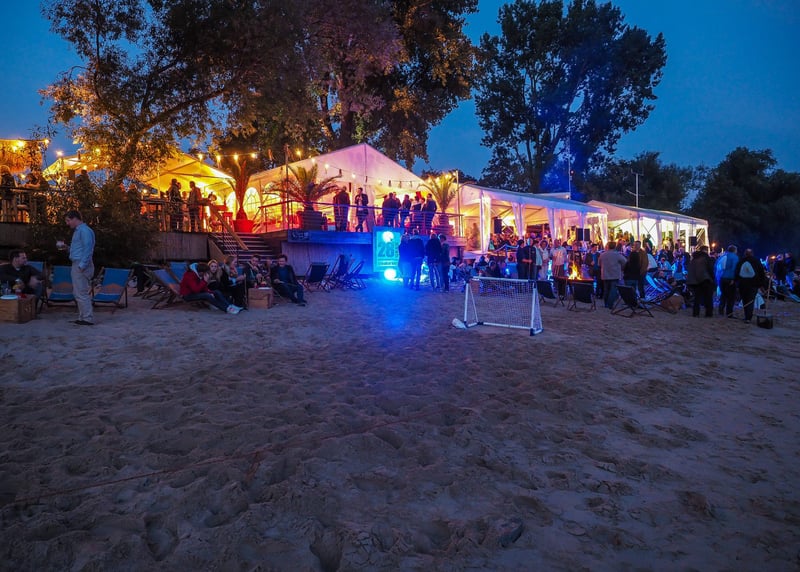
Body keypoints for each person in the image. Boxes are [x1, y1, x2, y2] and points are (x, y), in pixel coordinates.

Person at [63, 210, 96, 325]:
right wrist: (67, 248)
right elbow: (80, 249)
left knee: (81, 292)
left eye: (68, 220)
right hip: (78, 263)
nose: (67, 223)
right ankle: (82, 317)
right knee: (78, 292)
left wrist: (82, 265)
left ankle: (87, 318)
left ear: (75, 218)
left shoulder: (84, 231)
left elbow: (88, 249)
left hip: (81, 264)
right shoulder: (79, 231)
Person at [735, 248, 767, 323]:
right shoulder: (756, 261)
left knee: (745, 300)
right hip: (753, 284)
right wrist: (761, 284)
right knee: (750, 300)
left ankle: (747, 316)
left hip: (743, 284)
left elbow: (737, 273)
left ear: (745, 254)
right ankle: (748, 317)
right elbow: (761, 273)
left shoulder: (741, 261)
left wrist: (737, 283)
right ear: (752, 254)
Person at [686, 245, 715, 318]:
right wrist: (712, 278)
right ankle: (708, 313)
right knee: (708, 297)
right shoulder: (706, 258)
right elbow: (710, 269)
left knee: (697, 298)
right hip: (705, 279)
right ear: (705, 250)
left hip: (695, 281)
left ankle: (696, 313)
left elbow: (691, 270)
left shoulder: (694, 259)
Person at [598, 240, 627, 309]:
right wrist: (621, 267)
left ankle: (606, 303)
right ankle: (610, 304)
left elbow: (599, 264)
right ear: (615, 247)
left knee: (606, 290)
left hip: (605, 274)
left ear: (608, 246)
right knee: (613, 290)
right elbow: (625, 261)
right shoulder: (617, 255)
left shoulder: (602, 255)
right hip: (614, 274)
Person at [715, 245, 739, 317]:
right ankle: (729, 313)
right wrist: (733, 279)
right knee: (731, 297)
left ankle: (721, 310)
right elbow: (734, 268)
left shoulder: (722, 256)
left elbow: (717, 266)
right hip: (730, 278)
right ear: (734, 250)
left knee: (723, 295)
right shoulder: (735, 257)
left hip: (722, 278)